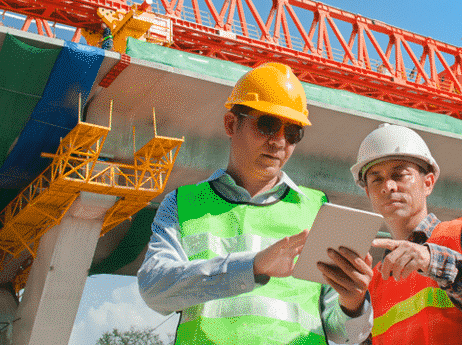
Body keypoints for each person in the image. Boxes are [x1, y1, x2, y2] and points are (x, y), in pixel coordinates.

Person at [138, 62, 374, 344]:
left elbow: (344, 334)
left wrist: (354, 303)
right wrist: (252, 267)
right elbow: (154, 288)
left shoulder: (317, 208)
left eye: (292, 132)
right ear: (230, 124)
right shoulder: (183, 203)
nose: (279, 141)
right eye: (268, 124)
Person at [350, 123, 462, 344]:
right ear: (368, 192)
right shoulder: (375, 279)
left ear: (428, 183)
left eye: (400, 174)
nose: (388, 186)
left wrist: (435, 262)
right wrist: (351, 307)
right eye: (376, 178)